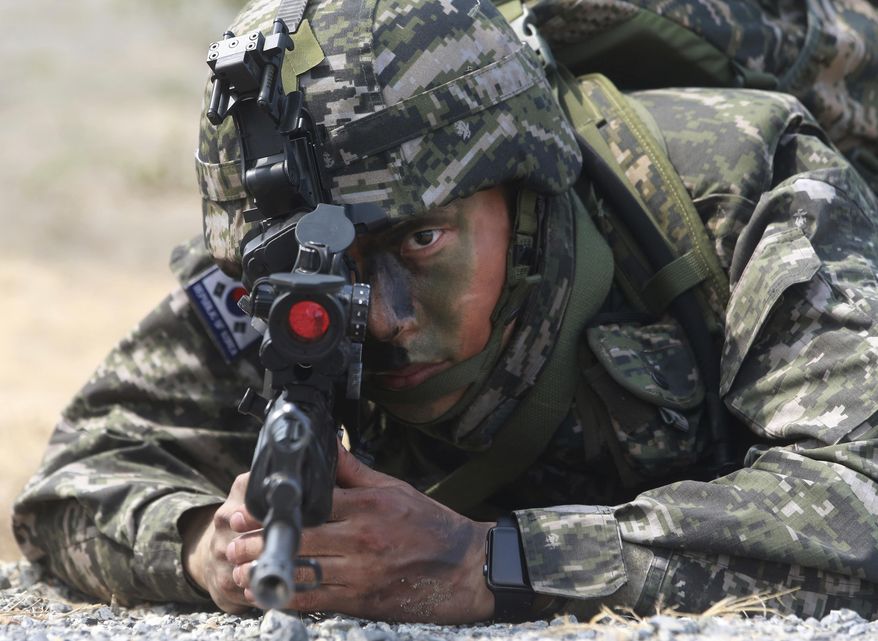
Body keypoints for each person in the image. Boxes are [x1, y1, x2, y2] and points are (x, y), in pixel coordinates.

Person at [13, 0, 878, 623]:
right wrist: (210, 545)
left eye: (420, 242)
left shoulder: (743, 181)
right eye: (341, 265)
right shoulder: (291, 271)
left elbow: (860, 494)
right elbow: (75, 478)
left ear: (526, 188)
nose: (382, 316)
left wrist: (493, 562)